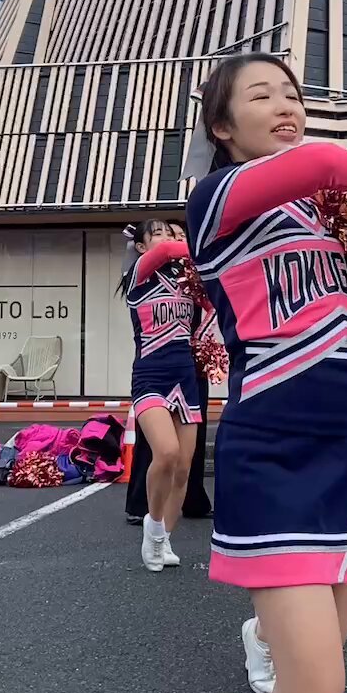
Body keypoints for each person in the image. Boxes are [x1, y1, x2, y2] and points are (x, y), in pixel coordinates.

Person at [185, 52, 347, 693]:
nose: (287, 105)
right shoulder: (219, 203)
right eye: (261, 96)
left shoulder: (322, 223)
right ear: (223, 129)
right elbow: (320, 160)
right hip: (274, 456)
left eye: (294, 93)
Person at [121, 218, 202, 571]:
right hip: (150, 377)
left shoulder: (187, 283)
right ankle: (152, 528)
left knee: (183, 470)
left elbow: (216, 311)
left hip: (186, 379)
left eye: (169, 232)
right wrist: (210, 245)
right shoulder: (139, 275)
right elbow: (170, 250)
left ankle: (163, 537)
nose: (166, 239)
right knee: (166, 452)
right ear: (140, 246)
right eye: (156, 233)